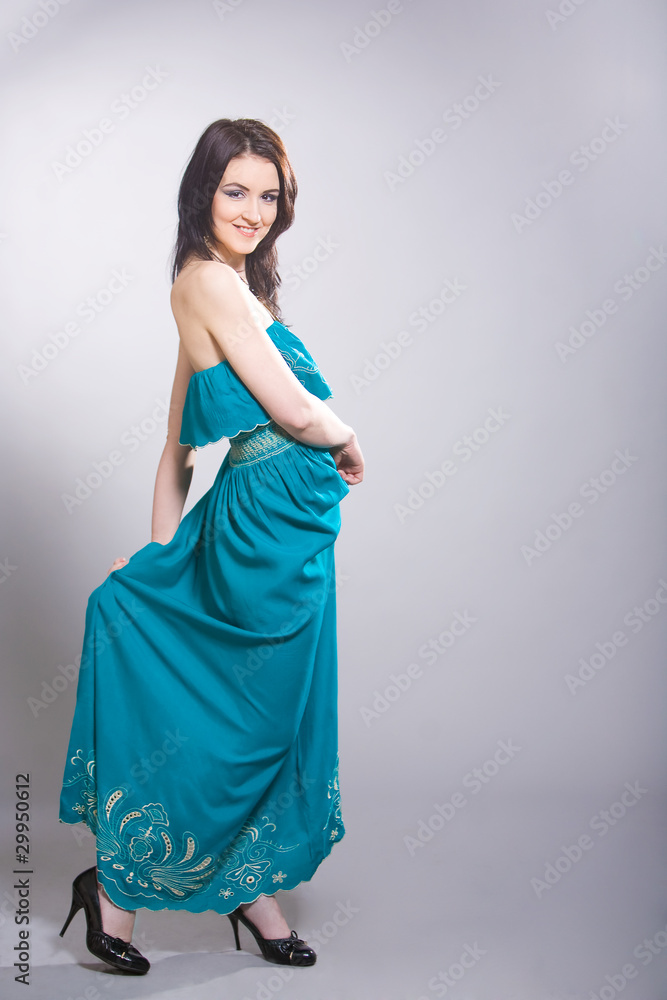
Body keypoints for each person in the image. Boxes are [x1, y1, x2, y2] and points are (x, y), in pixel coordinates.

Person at [58, 118, 364, 976]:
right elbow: (294, 412)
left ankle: (246, 887)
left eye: (269, 196)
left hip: (287, 529)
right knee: (244, 721)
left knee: (271, 714)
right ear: (204, 192)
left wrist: (160, 552)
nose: (253, 211)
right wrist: (346, 438)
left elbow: (177, 447)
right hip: (263, 531)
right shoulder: (206, 281)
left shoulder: (224, 288)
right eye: (236, 191)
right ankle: (116, 889)